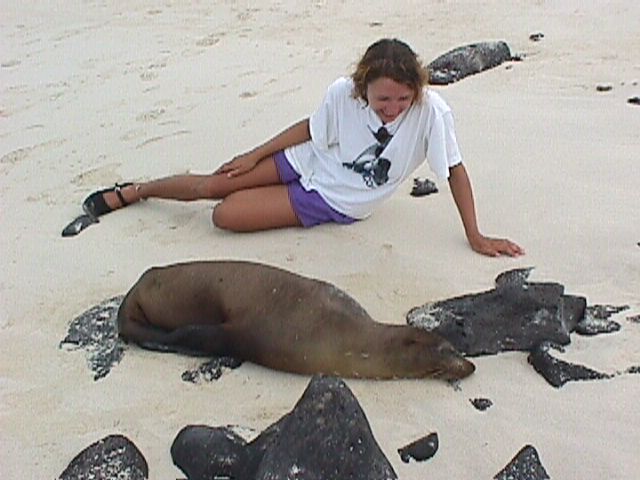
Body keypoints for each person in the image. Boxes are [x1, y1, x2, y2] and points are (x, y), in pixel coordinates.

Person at [83, 38, 523, 257]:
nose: (393, 108)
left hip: (334, 198)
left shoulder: (432, 112)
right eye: (383, 99)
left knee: (224, 215)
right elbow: (312, 130)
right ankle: (135, 191)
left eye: (402, 99)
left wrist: (475, 235)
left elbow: (455, 171)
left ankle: (223, 196)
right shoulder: (341, 93)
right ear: (362, 88)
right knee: (213, 185)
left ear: (417, 91)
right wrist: (256, 154)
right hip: (307, 160)